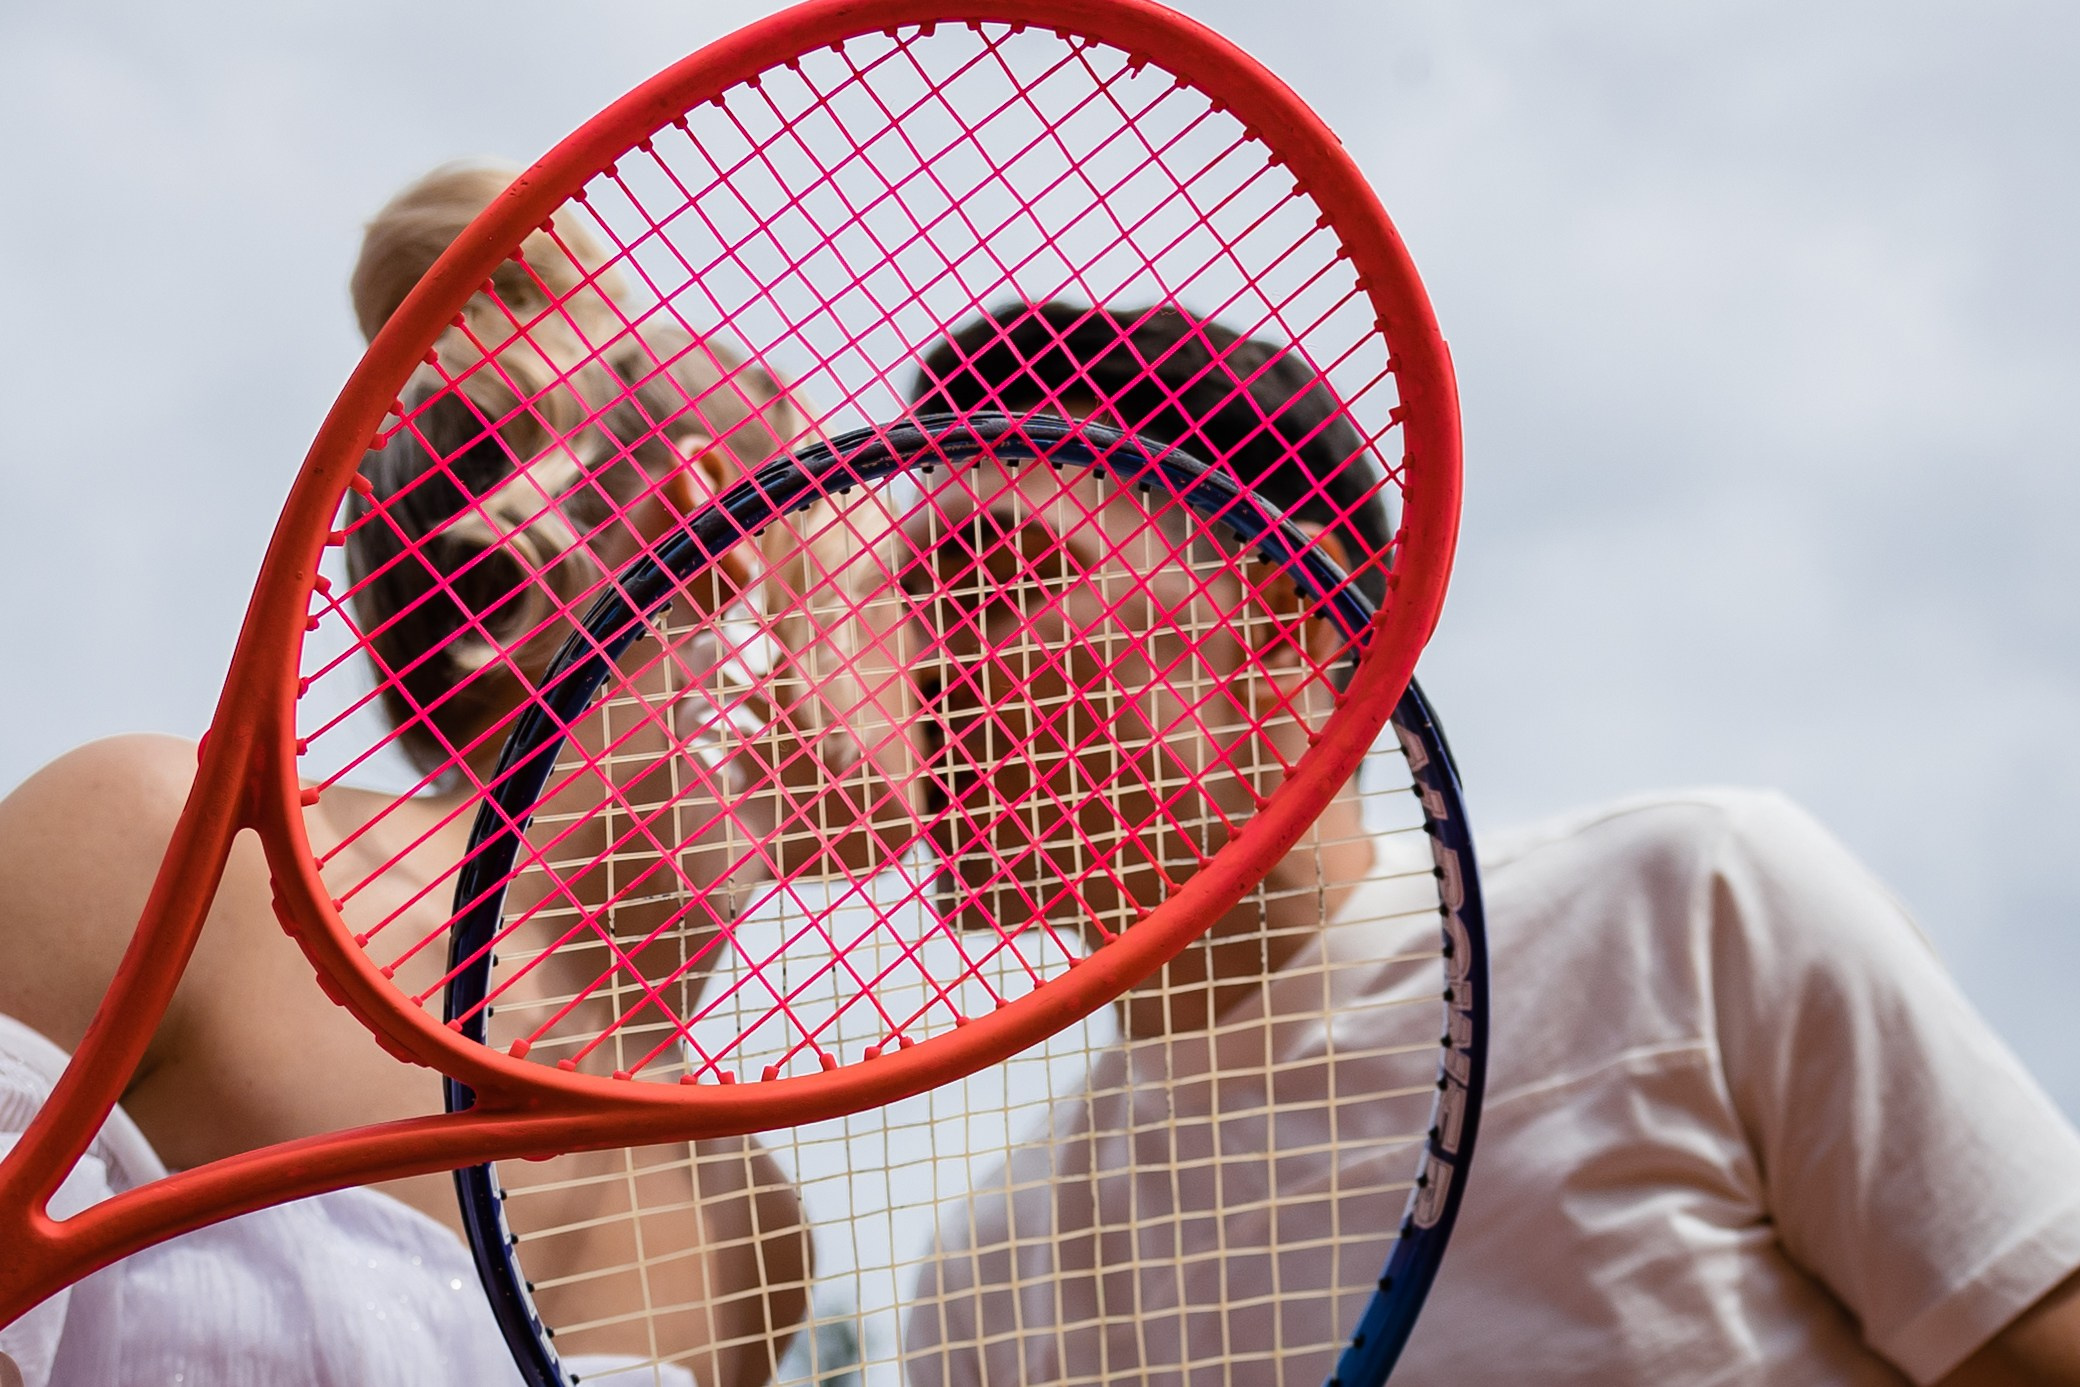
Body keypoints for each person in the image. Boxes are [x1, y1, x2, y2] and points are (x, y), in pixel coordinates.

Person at [895, 300, 2080, 1386]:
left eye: (1003, 579)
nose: (932, 667)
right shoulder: (980, 1294)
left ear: (1287, 615)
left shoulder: (1688, 912)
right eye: (914, 608)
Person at [0, 164, 830, 1387]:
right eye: (915, 572)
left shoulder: (750, 1238)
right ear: (725, 549)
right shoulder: (178, 857)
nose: (979, 646)